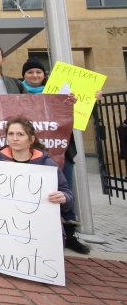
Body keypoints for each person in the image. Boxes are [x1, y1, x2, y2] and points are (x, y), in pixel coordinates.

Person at [20, 57, 95, 254]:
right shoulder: (17, 93)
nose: (34, 75)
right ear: (23, 76)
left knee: (63, 187)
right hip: (27, 152)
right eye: (30, 72)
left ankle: (69, 234)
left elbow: (79, 116)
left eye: (38, 72)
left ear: (44, 75)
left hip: (60, 150)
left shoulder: (60, 93)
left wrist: (91, 99)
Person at [0, 117, 73, 241]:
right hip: (4, 231)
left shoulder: (47, 165)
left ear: (31, 139)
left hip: (39, 231)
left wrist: (64, 197)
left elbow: (68, 197)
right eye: (11, 134)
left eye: (20, 134)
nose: (14, 138)